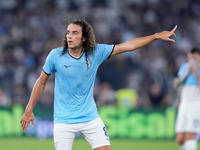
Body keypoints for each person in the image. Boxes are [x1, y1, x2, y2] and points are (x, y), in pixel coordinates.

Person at [20, 19, 177, 150]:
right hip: (64, 119)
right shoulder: (56, 55)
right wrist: (29, 109)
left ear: (84, 38)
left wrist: (155, 36)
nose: (69, 36)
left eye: (75, 33)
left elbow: (128, 46)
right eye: (68, 32)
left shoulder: (95, 53)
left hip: (90, 117)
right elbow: (41, 82)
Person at [174, 48, 200, 150]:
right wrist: (187, 73)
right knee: (180, 139)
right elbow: (176, 84)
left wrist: (195, 74)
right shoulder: (185, 67)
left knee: (190, 136)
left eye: (194, 57)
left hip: (196, 104)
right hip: (184, 104)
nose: (191, 60)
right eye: (190, 57)